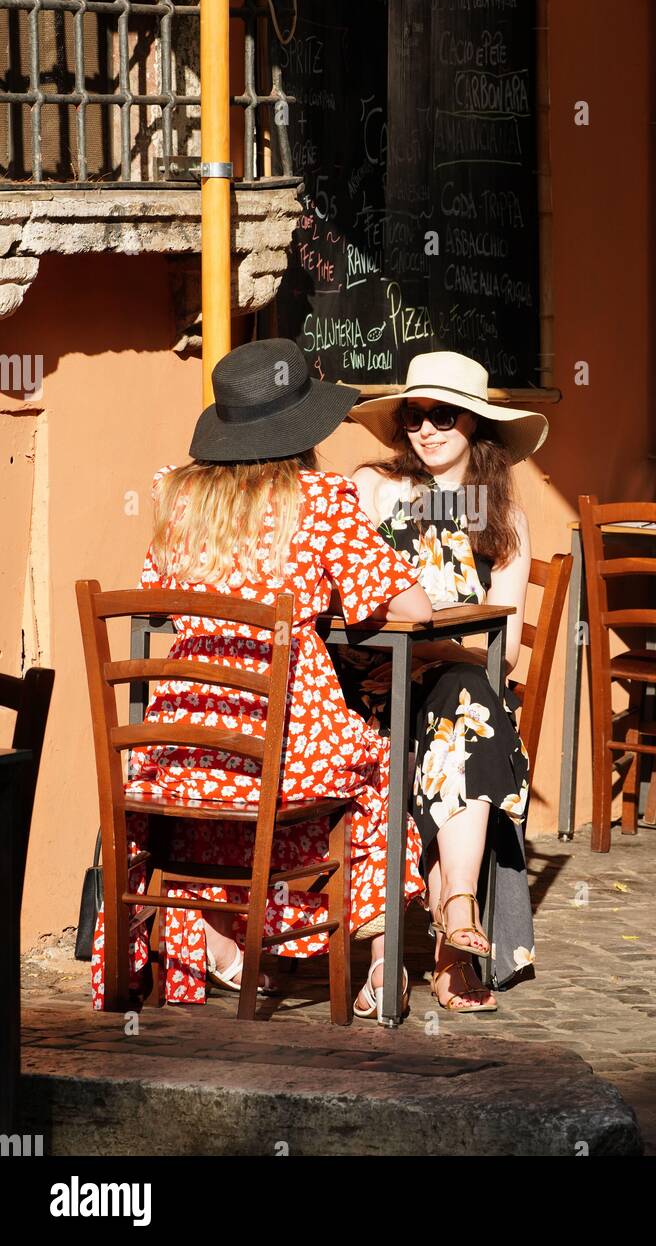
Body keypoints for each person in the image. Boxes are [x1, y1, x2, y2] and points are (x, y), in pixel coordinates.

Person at [89, 338, 432, 1019]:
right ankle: (380, 960)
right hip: (283, 757)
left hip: (181, 757)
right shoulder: (321, 498)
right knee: (376, 776)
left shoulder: (178, 496)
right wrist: (324, 597)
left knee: (252, 791)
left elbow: (155, 599)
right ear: (301, 428)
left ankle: (228, 942)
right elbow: (412, 609)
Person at [345, 351, 548, 1012]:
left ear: (476, 427)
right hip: (364, 683)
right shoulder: (374, 486)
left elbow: (505, 649)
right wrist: (431, 643)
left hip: (456, 685)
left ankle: (454, 907)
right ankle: (452, 929)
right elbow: (341, 590)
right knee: (466, 711)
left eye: (443, 415)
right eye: (414, 416)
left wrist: (433, 648)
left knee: (466, 707)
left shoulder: (503, 522)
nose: (425, 430)